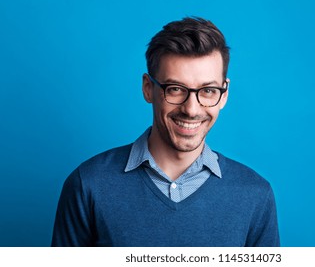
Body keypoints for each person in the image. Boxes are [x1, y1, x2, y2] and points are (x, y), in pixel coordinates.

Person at [51, 17, 280, 247]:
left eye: (208, 90)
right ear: (148, 88)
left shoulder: (255, 196)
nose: (191, 109)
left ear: (224, 94)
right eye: (176, 89)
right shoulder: (88, 185)